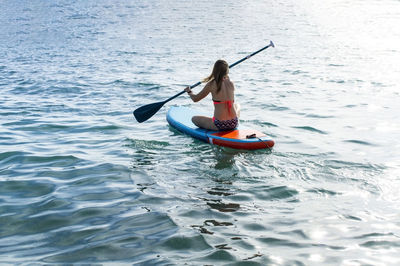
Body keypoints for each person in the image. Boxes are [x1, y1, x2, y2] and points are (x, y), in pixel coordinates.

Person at [184, 59, 240, 131]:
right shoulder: (231, 83)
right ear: (227, 71)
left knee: (194, 119)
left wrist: (189, 92)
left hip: (220, 125)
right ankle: (237, 119)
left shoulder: (211, 84)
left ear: (215, 70)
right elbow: (225, 79)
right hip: (234, 123)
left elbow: (195, 99)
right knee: (237, 105)